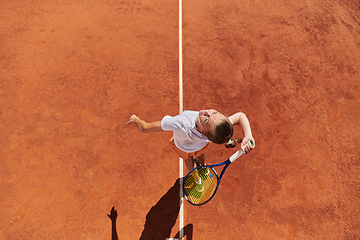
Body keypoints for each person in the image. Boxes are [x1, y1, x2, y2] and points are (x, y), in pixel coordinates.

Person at [126, 109, 255, 170]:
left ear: (204, 132)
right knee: (201, 153)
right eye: (214, 113)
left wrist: (136, 120)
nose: (207, 112)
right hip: (201, 146)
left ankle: (196, 178)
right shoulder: (213, 134)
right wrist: (248, 135)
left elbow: (144, 128)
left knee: (188, 159)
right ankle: (203, 168)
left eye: (207, 119)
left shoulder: (180, 123)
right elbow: (240, 116)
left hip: (183, 147)